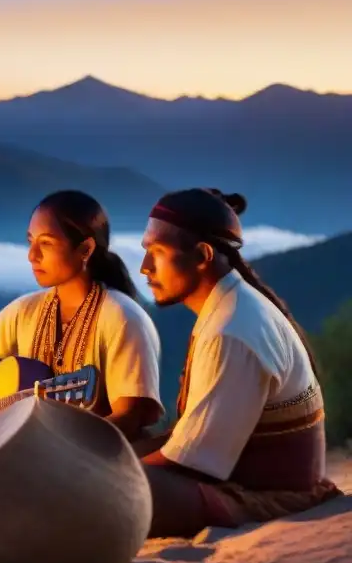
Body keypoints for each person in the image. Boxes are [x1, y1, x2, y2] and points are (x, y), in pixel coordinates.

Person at [137, 188, 342, 537]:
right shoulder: (229, 308)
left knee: (114, 486)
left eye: (157, 252)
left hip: (262, 498)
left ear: (202, 255)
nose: (144, 267)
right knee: (115, 455)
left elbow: (193, 461)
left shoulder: (230, 330)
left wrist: (112, 470)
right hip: (237, 484)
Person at [0, 190, 164, 442]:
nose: (32, 255)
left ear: (85, 249)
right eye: (30, 242)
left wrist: (60, 454)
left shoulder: (122, 318)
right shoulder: (24, 311)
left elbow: (129, 417)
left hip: (98, 467)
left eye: (46, 243)